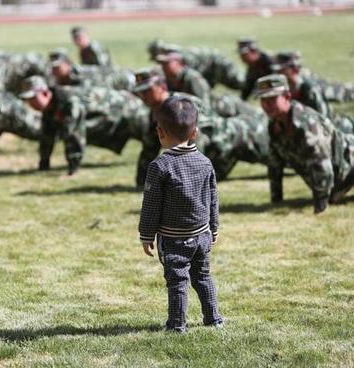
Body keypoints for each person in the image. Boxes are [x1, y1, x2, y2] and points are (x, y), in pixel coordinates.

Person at [138, 95, 223, 333]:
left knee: (177, 282)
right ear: (194, 132)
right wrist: (214, 228)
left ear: (160, 132)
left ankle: (177, 325)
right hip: (202, 236)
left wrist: (146, 234)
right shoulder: (205, 162)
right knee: (203, 277)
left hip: (174, 239)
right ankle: (214, 318)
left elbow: (151, 205)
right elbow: (213, 199)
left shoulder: (159, 167)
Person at [134, 68, 269, 181]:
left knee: (270, 155)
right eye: (140, 92)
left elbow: (197, 138)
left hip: (228, 144)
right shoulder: (156, 112)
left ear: (162, 87)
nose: (143, 96)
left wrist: (188, 176)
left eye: (147, 90)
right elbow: (149, 146)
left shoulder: (181, 105)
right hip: (214, 156)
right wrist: (142, 180)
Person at [20, 75, 155, 184]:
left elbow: (74, 135)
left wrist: (73, 170)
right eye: (28, 100)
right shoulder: (50, 107)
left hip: (128, 109)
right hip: (112, 116)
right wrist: (44, 164)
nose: (31, 103)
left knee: (153, 139)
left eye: (33, 98)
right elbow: (47, 135)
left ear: (45, 93)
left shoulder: (68, 101)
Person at [256, 74, 354, 213]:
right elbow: (274, 164)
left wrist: (320, 206)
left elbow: (322, 166)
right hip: (337, 175)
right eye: (263, 100)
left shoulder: (307, 124)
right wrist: (276, 200)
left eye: (272, 98)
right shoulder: (275, 125)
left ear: (287, 97)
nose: (267, 105)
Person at [148, 39, 244, 90]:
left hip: (218, 64)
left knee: (240, 84)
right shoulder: (173, 56)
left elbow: (190, 76)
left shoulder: (182, 57)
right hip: (208, 70)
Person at [272, 50, 330, 117]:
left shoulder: (309, 88)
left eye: (281, 70)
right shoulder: (281, 87)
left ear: (294, 69)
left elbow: (322, 116)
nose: (277, 73)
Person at [48, 48, 134, 91]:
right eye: (52, 68)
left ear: (68, 64)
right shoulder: (56, 79)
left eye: (57, 68)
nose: (54, 71)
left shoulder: (82, 75)